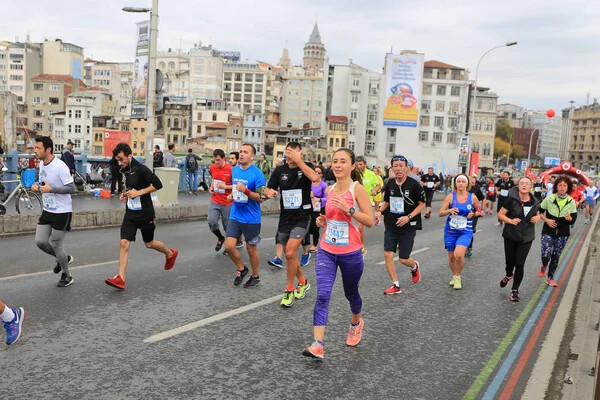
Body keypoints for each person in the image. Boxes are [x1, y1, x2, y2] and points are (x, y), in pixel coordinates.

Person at [302, 148, 373, 359]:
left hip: (350, 252)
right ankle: (318, 344)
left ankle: (356, 323)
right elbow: (332, 218)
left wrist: (349, 209)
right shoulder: (330, 189)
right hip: (327, 249)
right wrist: (323, 221)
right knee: (323, 295)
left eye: (343, 161)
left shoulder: (357, 189)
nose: (338, 165)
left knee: (351, 293)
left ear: (352, 165)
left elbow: (369, 220)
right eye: (335, 161)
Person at [105, 143, 179, 290]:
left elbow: (158, 184)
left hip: (145, 213)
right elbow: (129, 188)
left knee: (149, 243)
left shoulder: (140, 168)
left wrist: (139, 192)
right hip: (131, 213)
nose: (119, 163)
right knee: (124, 243)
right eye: (117, 160)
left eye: (121, 159)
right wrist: (124, 195)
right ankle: (121, 279)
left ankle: (170, 253)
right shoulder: (123, 169)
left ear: (129, 156)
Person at [264, 142, 320, 307]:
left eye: (293, 153)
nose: (290, 156)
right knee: (291, 256)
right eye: (288, 152)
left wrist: (299, 161)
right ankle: (303, 281)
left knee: (289, 252)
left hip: (302, 216)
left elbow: (315, 178)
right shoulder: (280, 170)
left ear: (300, 153)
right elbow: (267, 189)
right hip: (285, 218)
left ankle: (289, 289)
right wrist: (268, 192)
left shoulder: (307, 167)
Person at [375, 155, 425, 295]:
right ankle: (395, 285)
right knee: (387, 254)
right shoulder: (390, 183)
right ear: (392, 168)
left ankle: (414, 266)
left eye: (401, 166)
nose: (398, 168)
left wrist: (408, 217)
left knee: (403, 258)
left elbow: (422, 204)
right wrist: (379, 211)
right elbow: (386, 201)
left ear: (406, 168)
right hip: (391, 224)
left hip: (408, 226)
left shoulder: (414, 184)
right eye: (395, 166)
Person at [31, 136, 77, 287]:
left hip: (62, 211)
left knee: (56, 244)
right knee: (40, 242)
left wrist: (51, 189)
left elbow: (72, 188)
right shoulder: (42, 164)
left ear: (48, 149)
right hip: (47, 209)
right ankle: (64, 258)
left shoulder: (60, 166)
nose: (35, 150)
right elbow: (44, 183)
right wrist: (37, 186)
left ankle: (67, 274)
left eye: (38, 148)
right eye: (35, 147)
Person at [224, 143, 266, 288]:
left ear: (252, 156)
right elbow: (236, 189)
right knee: (229, 246)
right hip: (236, 215)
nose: (241, 154)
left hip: (251, 217)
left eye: (245, 152)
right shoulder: (235, 170)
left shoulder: (258, 174)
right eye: (240, 151)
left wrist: (246, 191)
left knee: (251, 249)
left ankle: (255, 276)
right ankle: (242, 269)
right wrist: (232, 195)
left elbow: (261, 198)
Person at [497, 177, 541, 301]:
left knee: (520, 264)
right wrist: (510, 221)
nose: (524, 185)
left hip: (526, 236)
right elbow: (500, 214)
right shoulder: (511, 200)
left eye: (527, 183)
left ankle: (515, 290)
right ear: (518, 186)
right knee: (510, 262)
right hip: (511, 235)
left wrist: (537, 218)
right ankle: (508, 274)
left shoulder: (535, 201)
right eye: (522, 183)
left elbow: (539, 213)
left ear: (531, 187)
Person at [439, 174, 482, 290]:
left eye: (463, 182)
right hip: (450, 231)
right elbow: (440, 212)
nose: (461, 184)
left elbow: (480, 211)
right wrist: (449, 210)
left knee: (458, 255)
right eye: (459, 182)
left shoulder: (472, 197)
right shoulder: (450, 197)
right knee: (451, 257)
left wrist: (474, 214)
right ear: (455, 183)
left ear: (467, 184)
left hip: (465, 231)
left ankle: (458, 277)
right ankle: (454, 275)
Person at [538, 175, 578, 287]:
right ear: (556, 187)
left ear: (568, 188)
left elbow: (574, 219)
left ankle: (550, 277)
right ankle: (544, 265)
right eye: (560, 185)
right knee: (546, 255)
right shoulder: (549, 198)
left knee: (556, 256)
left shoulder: (571, 201)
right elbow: (539, 211)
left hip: (563, 233)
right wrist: (547, 220)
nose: (562, 187)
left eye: (564, 185)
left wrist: (570, 219)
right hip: (548, 230)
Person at [209, 149, 233, 252]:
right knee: (211, 221)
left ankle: (229, 245)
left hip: (227, 202)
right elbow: (213, 178)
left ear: (224, 159)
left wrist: (225, 187)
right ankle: (220, 238)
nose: (216, 162)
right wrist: (211, 187)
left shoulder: (231, 169)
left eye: (218, 160)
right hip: (215, 199)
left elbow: (236, 186)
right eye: (215, 160)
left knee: (227, 226)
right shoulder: (212, 167)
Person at [355, 156, 380, 250]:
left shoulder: (371, 174)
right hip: (354, 202)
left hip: (366, 203)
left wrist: (374, 190)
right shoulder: (353, 173)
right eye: (357, 164)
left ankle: (360, 247)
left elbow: (378, 185)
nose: (358, 166)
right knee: (353, 227)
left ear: (365, 164)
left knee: (360, 228)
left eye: (360, 164)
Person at [306, 165, 328, 253]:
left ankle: (314, 245)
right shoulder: (308, 183)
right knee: (306, 225)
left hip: (319, 207)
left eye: (318, 172)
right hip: (308, 206)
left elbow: (327, 198)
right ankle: (305, 243)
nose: (316, 173)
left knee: (315, 227)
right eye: (314, 171)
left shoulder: (323, 185)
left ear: (321, 174)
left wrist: (318, 199)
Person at [466, 175, 485, 258]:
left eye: (473, 180)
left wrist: (482, 210)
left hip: (473, 214)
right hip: (463, 214)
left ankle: (469, 248)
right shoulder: (462, 189)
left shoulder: (476, 190)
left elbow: (483, 199)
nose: (472, 181)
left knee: (469, 231)